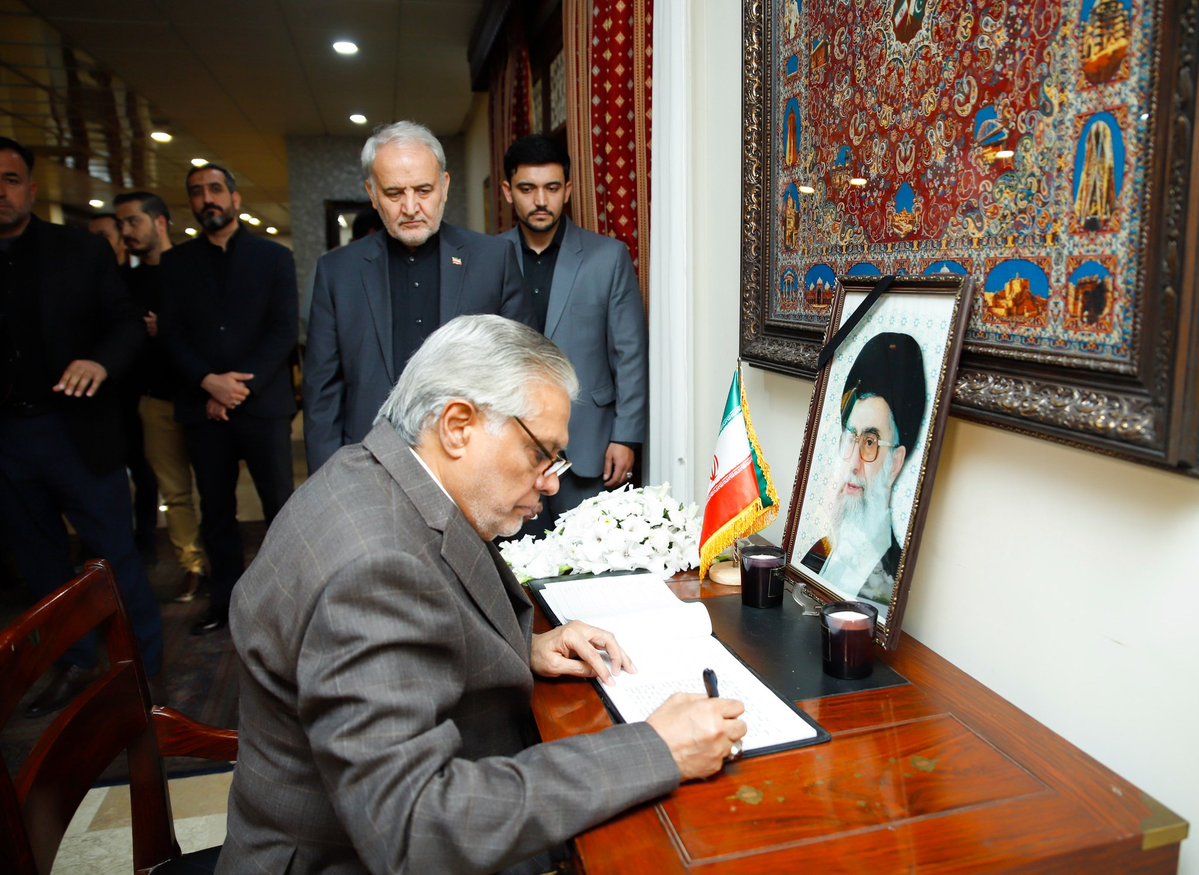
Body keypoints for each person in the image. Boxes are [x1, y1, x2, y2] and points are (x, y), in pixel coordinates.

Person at [219, 315, 745, 873]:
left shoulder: (373, 473)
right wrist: (657, 749)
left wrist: (524, 648)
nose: (551, 481)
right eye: (541, 453)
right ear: (458, 426)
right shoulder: (377, 567)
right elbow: (416, 828)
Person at [0, 137, 163, 716]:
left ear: (32, 188)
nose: (1, 190)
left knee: (113, 554)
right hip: (9, 438)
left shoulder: (77, 251)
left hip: (78, 431)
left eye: (11, 178)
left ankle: (141, 668)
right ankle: (70, 665)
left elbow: (124, 325)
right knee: (39, 562)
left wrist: (100, 361)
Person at [302, 120, 532, 474]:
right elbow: (322, 393)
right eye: (395, 193)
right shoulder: (338, 272)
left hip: (472, 461)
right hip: (369, 463)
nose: (410, 207)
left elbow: (519, 371)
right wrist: (328, 479)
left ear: (444, 186)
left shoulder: (493, 260)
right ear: (372, 192)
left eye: (423, 190)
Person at [159, 163, 298, 635]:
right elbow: (172, 336)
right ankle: (224, 602)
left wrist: (239, 388)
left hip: (262, 406)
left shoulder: (273, 258)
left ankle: (287, 603)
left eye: (216, 189)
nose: (207, 198)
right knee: (216, 511)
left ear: (236, 199)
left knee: (280, 507)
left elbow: (283, 331)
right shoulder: (175, 264)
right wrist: (208, 382)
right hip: (204, 410)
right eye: (196, 192)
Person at [500, 135, 648, 536]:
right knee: (517, 570)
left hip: (591, 444)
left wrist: (627, 436)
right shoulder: (488, 258)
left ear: (568, 189)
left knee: (589, 568)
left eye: (551, 188)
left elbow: (629, 353)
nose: (541, 200)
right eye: (527, 189)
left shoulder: (607, 257)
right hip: (512, 446)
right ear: (508, 192)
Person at [115, 190, 208, 600]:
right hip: (154, 400)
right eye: (121, 224)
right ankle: (193, 565)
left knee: (215, 488)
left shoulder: (190, 267)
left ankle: (223, 564)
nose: (126, 232)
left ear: (159, 222)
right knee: (175, 493)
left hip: (199, 395)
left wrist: (167, 328)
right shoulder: (124, 281)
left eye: (132, 221)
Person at [800, 332, 926, 607]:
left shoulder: (890, 581)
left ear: (895, 462)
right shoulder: (818, 552)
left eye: (870, 442)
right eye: (850, 437)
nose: (853, 464)